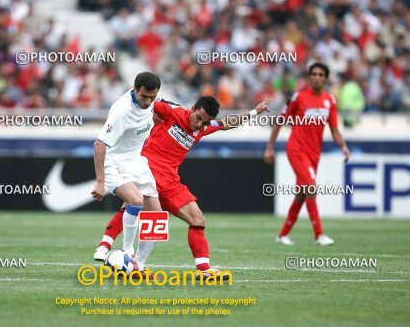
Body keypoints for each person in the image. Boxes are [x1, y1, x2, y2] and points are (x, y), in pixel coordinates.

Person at [94, 95, 271, 279]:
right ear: (193, 108)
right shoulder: (172, 112)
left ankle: (202, 269)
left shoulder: (203, 128)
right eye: (198, 118)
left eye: (205, 122)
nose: (199, 124)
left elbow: (227, 123)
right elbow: (146, 102)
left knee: (197, 219)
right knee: (133, 207)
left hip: (171, 183)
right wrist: (148, 114)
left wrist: (254, 112)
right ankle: (105, 245)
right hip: (147, 172)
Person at [263, 62, 350, 246]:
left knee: (302, 194)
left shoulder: (330, 101)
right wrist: (270, 147)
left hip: (314, 154)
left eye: (321, 75)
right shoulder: (299, 97)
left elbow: (334, 129)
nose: (317, 77)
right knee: (311, 188)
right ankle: (319, 235)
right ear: (310, 77)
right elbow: (280, 121)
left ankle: (282, 235)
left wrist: (343, 146)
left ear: (325, 79)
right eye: (314, 74)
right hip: (296, 149)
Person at [92, 71, 163, 274]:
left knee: (157, 219)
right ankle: (126, 251)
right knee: (135, 200)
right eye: (144, 97)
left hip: (137, 162)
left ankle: (138, 265)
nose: (148, 101)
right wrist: (100, 182)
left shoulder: (151, 105)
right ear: (134, 90)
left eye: (153, 97)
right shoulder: (122, 111)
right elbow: (99, 144)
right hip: (114, 162)